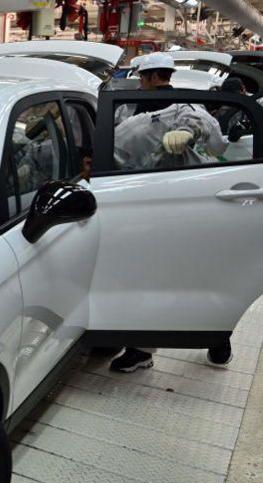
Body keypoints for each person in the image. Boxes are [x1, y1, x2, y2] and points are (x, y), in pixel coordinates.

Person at [111, 52, 230, 373]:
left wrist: (189, 134)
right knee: (149, 280)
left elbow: (213, 142)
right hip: (140, 205)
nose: (139, 83)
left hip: (186, 203)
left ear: (149, 77)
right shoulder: (124, 110)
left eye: (141, 78)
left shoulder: (185, 107)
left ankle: (217, 337)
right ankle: (140, 349)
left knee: (196, 276)